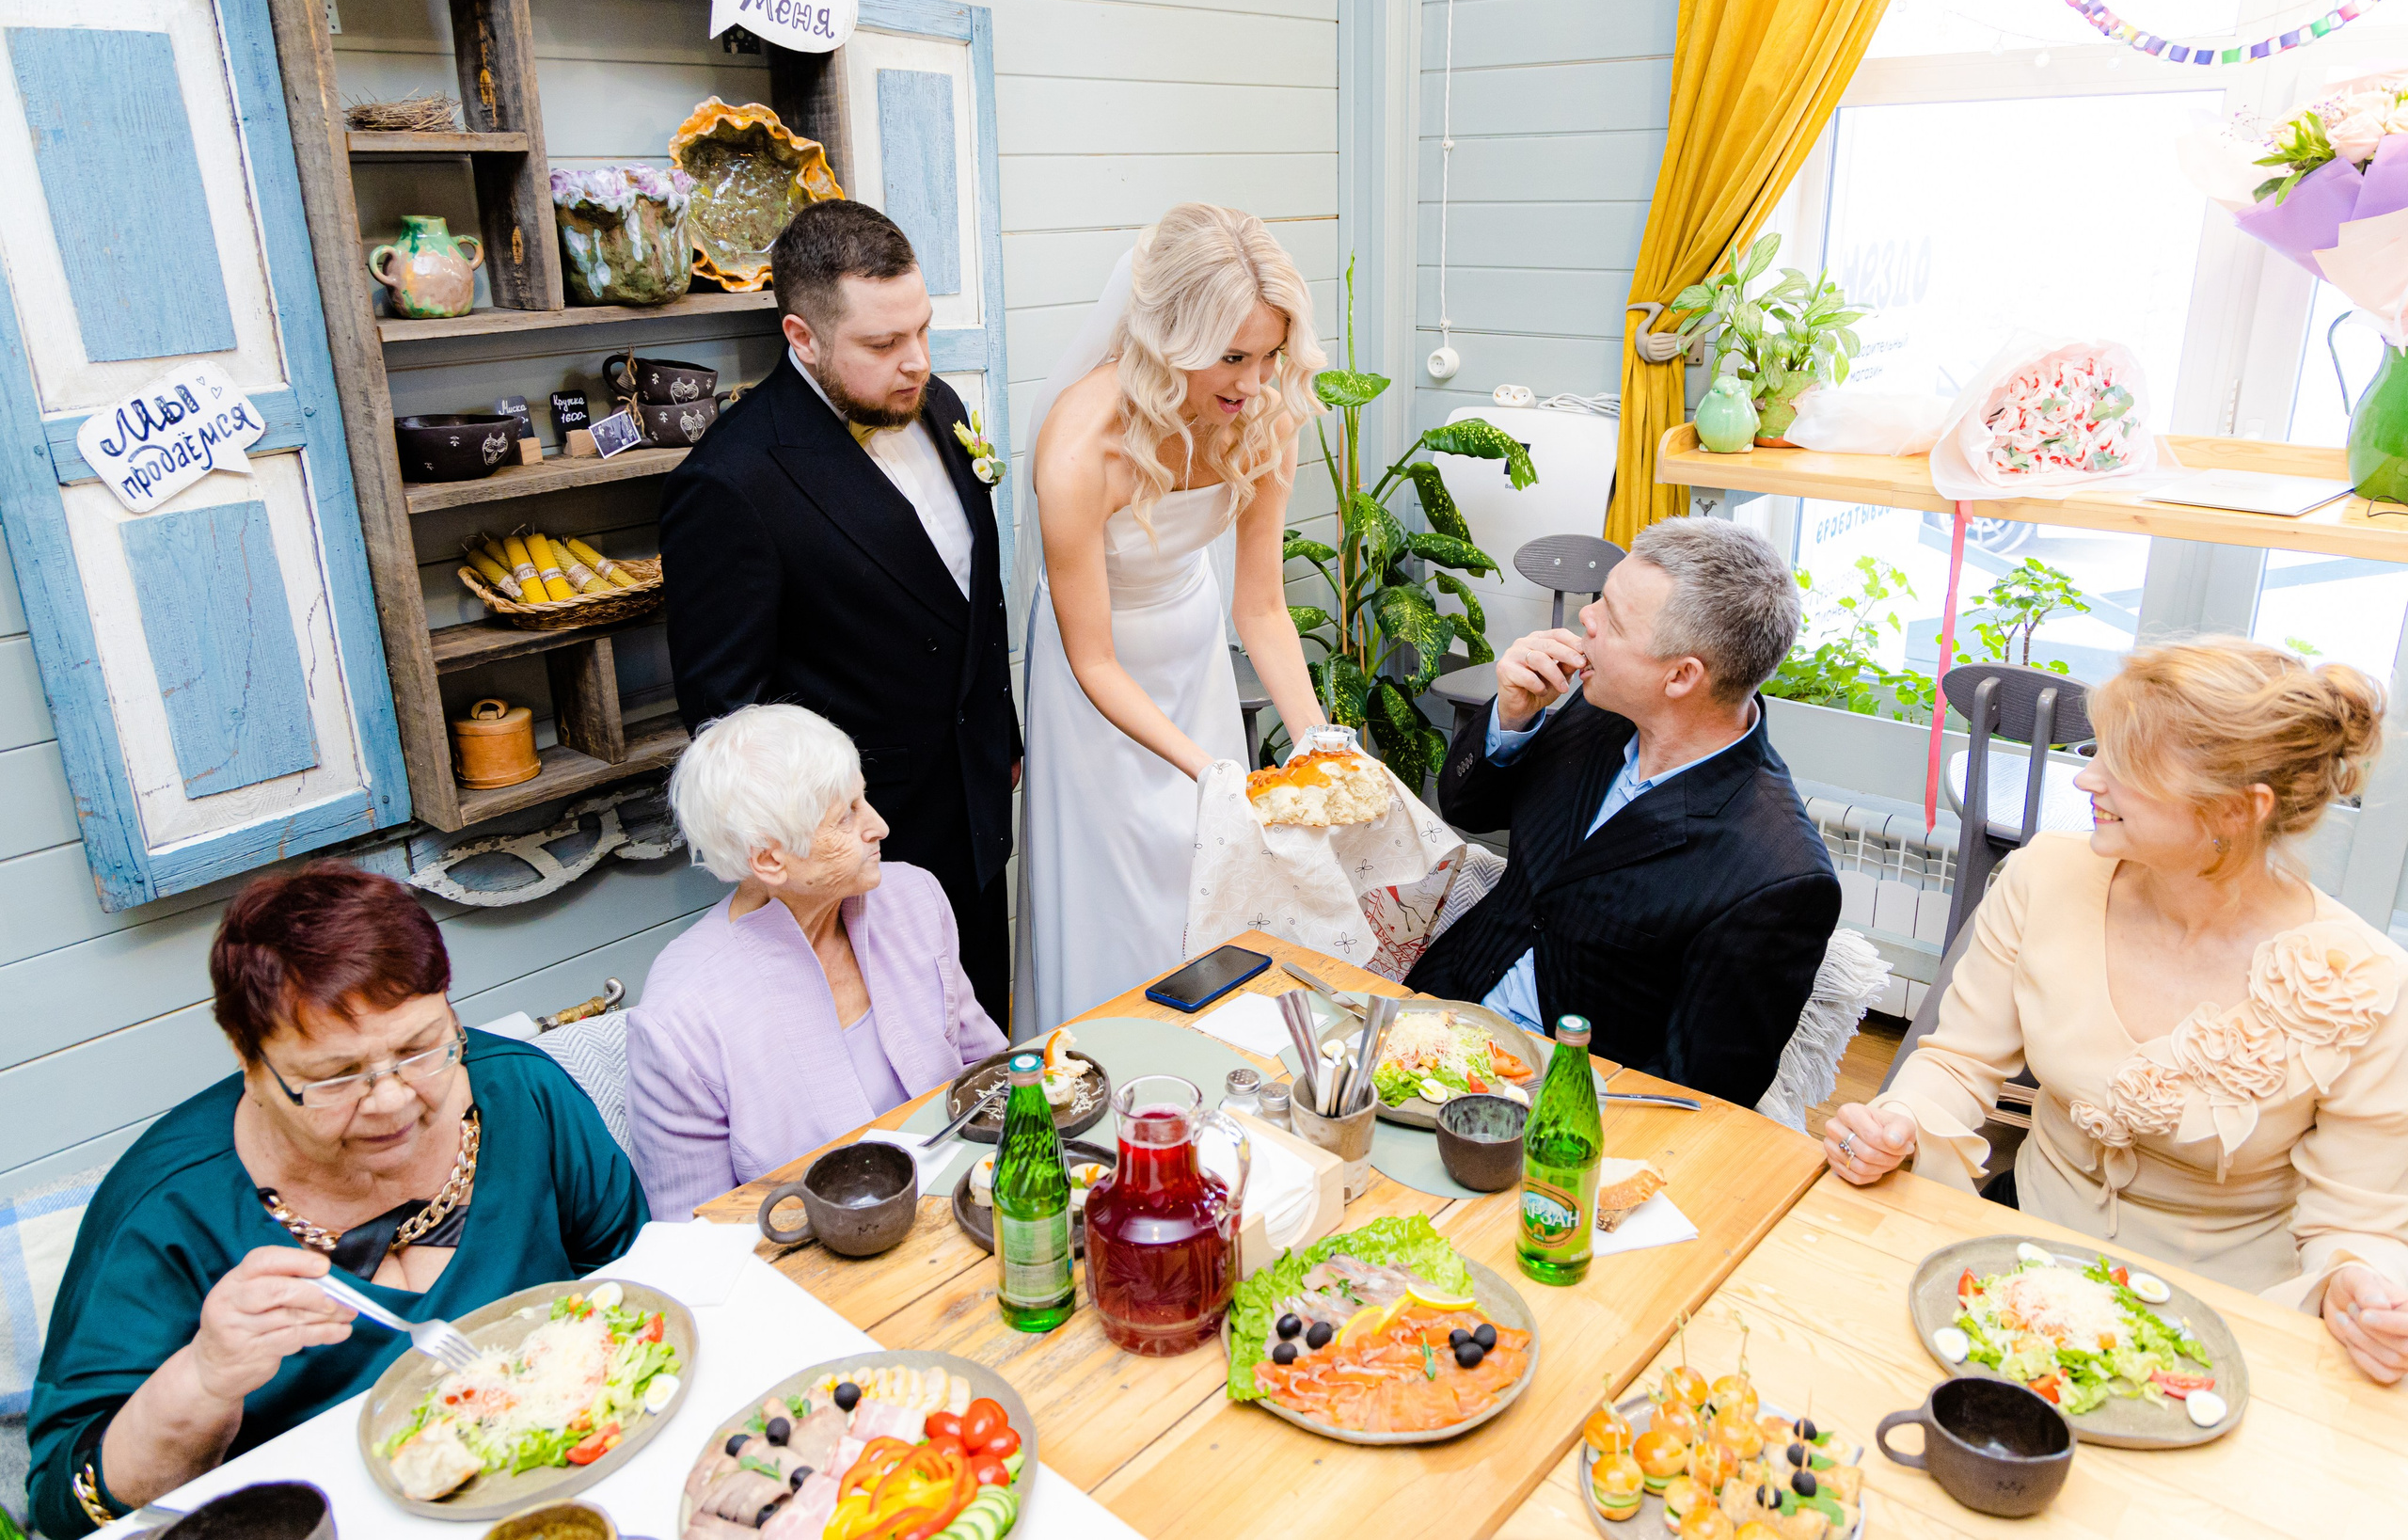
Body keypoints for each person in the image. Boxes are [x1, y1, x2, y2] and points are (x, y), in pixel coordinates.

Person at [1825, 638, 2408, 1385]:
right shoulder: (2045, 875)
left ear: (2237, 808)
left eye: (2124, 766)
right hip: (2023, 1262)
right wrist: (1899, 1121)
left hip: (2220, 1327)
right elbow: (1958, 1060)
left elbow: (2356, 1222)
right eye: (2097, 750)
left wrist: (2360, 1283)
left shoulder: (2360, 982)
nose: (2088, 779)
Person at [28, 866, 645, 1535]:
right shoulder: (165, 1209)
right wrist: (203, 1380)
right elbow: (68, 1508)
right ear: (249, 1058)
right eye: (336, 1076)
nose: (391, 1099)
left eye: (418, 1047)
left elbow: (642, 1283)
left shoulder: (524, 1096)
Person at [661, 199, 1018, 1031]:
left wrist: (1004, 742)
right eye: (884, 345)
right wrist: (815, 855)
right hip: (859, 847)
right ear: (801, 337)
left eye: (922, 331)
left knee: (976, 1038)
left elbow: (972, 600)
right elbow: (728, 723)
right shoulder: (731, 482)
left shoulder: (941, 410)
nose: (917, 363)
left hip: (973, 799)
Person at [1013, 203, 1331, 1031]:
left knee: (1205, 882)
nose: (1253, 383)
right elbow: (1093, 661)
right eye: (1230, 357)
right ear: (1168, 338)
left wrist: (1315, 740)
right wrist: (1211, 773)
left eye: (1268, 355)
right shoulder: (1083, 450)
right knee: (1120, 900)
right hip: (1098, 688)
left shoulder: (1266, 415)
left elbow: (1260, 605)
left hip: (1189, 653)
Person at [1404, 517, 1840, 1106]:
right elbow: (1468, 808)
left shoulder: (1777, 873)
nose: (1585, 618)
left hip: (1575, 1102)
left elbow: (1700, 1093)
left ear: (1682, 676)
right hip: (1439, 1010)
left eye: (1610, 616)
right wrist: (1512, 718)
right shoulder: (1602, 708)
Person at [628, 704, 1009, 1220]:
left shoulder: (913, 898)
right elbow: (696, 1234)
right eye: (845, 816)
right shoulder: (681, 1018)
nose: (879, 825)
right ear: (768, 859)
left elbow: (989, 1074)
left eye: (863, 797)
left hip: (974, 1209)